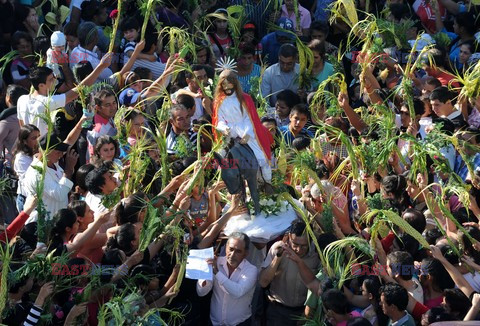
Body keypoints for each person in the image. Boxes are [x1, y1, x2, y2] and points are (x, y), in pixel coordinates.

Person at [17, 52, 112, 137]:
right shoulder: (46, 102)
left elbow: (22, 128)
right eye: (51, 79)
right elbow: (79, 89)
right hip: (44, 148)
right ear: (41, 85)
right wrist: (101, 66)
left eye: (54, 77)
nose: (55, 80)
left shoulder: (21, 99)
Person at [213, 69, 274, 185]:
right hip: (229, 130)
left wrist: (247, 134)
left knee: (260, 156)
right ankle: (221, 181)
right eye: (224, 84)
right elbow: (219, 120)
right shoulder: (218, 101)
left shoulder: (245, 98)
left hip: (244, 128)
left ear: (235, 83)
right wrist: (223, 128)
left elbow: (250, 119)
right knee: (220, 155)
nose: (227, 87)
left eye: (229, 83)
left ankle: (267, 181)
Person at [21, 134, 79, 248]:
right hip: (40, 229)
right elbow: (59, 194)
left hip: (54, 226)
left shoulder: (54, 165)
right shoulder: (36, 172)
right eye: (58, 151)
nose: (61, 154)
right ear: (46, 151)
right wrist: (69, 169)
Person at [259, 219, 320, 326]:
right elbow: (263, 282)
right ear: (289, 239)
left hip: (303, 313)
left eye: (304, 246)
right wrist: (278, 258)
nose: (298, 250)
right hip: (277, 311)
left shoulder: (316, 256)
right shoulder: (277, 248)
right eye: (295, 244)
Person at [197, 232, 258, 326]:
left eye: (238, 251)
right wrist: (205, 272)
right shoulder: (216, 263)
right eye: (231, 249)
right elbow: (201, 292)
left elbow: (238, 292)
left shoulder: (251, 270)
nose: (232, 255)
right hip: (214, 322)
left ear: (246, 253)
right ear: (226, 248)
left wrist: (217, 273)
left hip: (240, 323)